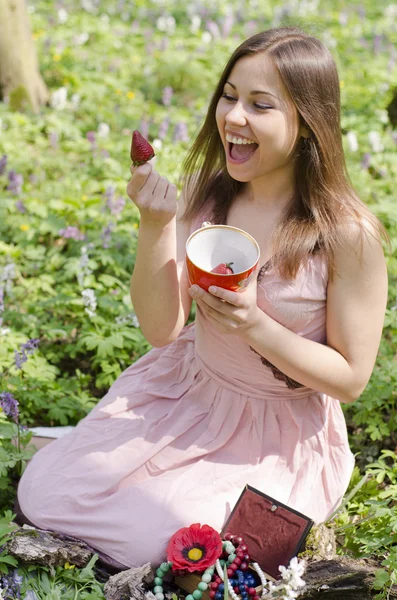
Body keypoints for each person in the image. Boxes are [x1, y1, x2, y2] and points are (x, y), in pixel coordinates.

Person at [17, 27, 389, 571]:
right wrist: (156, 224)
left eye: (261, 105)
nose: (234, 117)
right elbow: (162, 328)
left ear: (309, 122)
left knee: (170, 544)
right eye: (230, 95)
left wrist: (255, 327)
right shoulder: (211, 194)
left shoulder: (346, 235)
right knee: (44, 493)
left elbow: (352, 378)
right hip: (188, 394)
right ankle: (78, 449)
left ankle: (83, 448)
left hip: (275, 432)